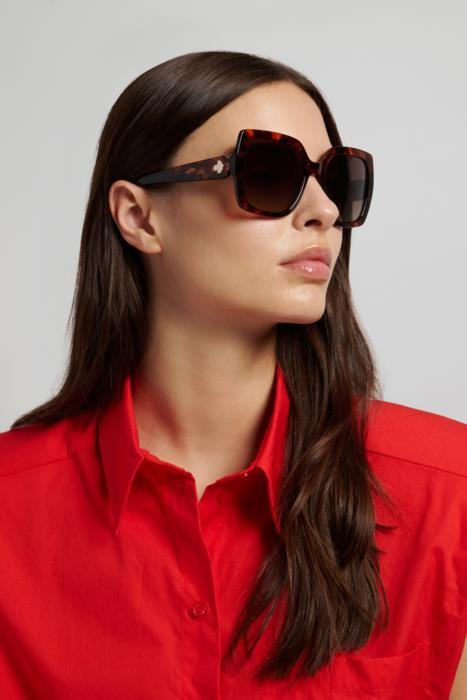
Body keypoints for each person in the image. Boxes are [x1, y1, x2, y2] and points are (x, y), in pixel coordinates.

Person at [1, 50, 466, 699]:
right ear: (140, 216)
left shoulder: (450, 495)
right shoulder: (11, 510)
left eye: (336, 179)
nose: (323, 211)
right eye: (269, 172)